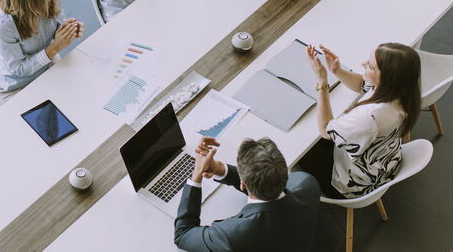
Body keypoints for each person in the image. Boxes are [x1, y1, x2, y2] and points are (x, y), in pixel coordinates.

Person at [300, 43, 421, 198]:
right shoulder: (402, 92)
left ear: (386, 78)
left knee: (300, 148)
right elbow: (362, 85)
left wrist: (322, 83)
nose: (363, 64)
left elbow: (325, 129)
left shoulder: (369, 117)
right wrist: (336, 71)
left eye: (370, 66)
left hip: (352, 184)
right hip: (383, 163)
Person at [174, 137, 320, 252]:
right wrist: (219, 169)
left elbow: (183, 234)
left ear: (242, 184)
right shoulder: (307, 184)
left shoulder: (231, 235)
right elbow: (269, 183)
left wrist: (196, 174)